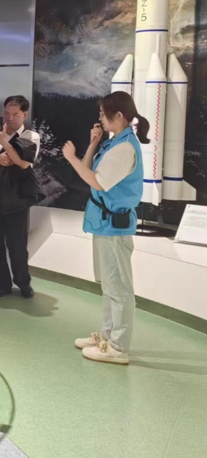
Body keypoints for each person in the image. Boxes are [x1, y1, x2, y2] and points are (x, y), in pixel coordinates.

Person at [62, 92, 147, 365]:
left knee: (118, 287)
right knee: (110, 286)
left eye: (102, 113)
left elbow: (97, 182)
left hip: (114, 227)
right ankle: (107, 337)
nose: (99, 117)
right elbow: (90, 173)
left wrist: (71, 158)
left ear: (118, 115)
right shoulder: (115, 143)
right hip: (105, 223)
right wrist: (93, 144)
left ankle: (118, 347)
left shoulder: (124, 147)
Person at [0, 95, 41, 299]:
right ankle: (1, 284)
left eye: (15, 114)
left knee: (17, 243)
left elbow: (23, 163)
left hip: (17, 193)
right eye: (7, 113)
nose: (10, 118)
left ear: (24, 114)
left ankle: (23, 282)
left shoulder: (31, 136)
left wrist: (4, 141)